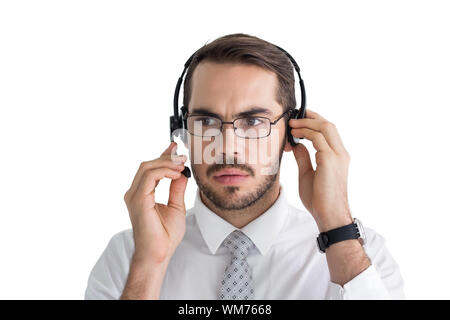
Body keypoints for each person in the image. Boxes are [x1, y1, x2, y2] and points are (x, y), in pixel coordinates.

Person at [84, 33, 405, 300]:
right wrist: (149, 266)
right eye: (206, 121)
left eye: (253, 120)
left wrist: (338, 228)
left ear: (292, 130)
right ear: (181, 129)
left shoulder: (365, 256)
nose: (227, 147)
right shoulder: (128, 255)